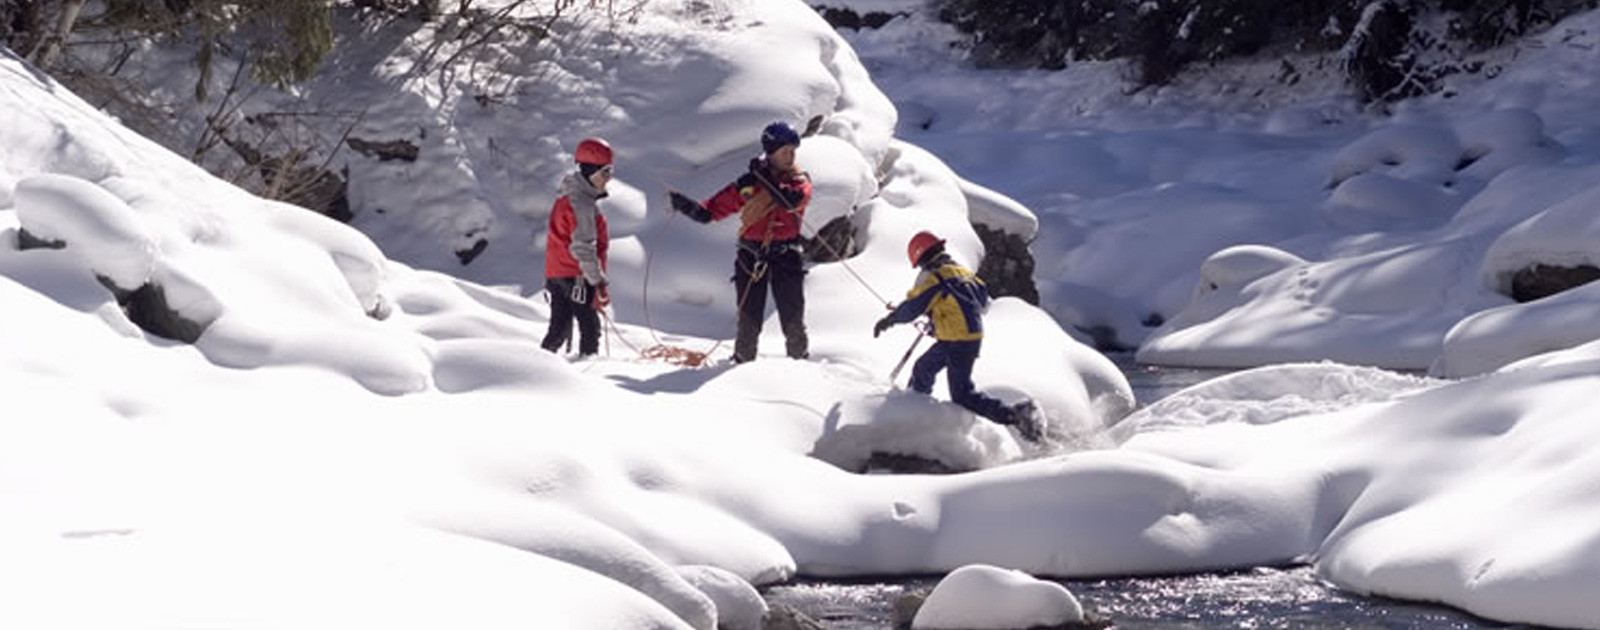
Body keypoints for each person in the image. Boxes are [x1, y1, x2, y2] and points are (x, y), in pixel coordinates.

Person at [873, 231, 1043, 442]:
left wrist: (890, 320)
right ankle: (913, 410)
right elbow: (980, 301)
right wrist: (940, 318)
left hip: (958, 340)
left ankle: (1015, 415)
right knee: (923, 368)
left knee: (962, 394)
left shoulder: (935, 276)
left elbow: (914, 307)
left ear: (920, 255)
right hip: (960, 338)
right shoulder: (961, 271)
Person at [667, 121, 811, 363]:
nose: (790, 156)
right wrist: (683, 204)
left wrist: (760, 178)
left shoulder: (799, 181)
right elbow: (710, 212)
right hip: (751, 256)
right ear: (771, 152)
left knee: (793, 318)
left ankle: (800, 368)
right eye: (785, 151)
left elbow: (788, 200)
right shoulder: (750, 182)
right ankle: (741, 368)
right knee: (749, 320)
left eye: (793, 151)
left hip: (787, 256)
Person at [541, 137, 614, 357]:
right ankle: (585, 375)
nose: (609, 178)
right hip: (577, 275)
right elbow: (583, 247)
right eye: (606, 172)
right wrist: (598, 281)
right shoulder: (581, 203)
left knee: (559, 328)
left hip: (558, 272)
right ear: (591, 171)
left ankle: (540, 366)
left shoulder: (569, 193)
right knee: (589, 327)